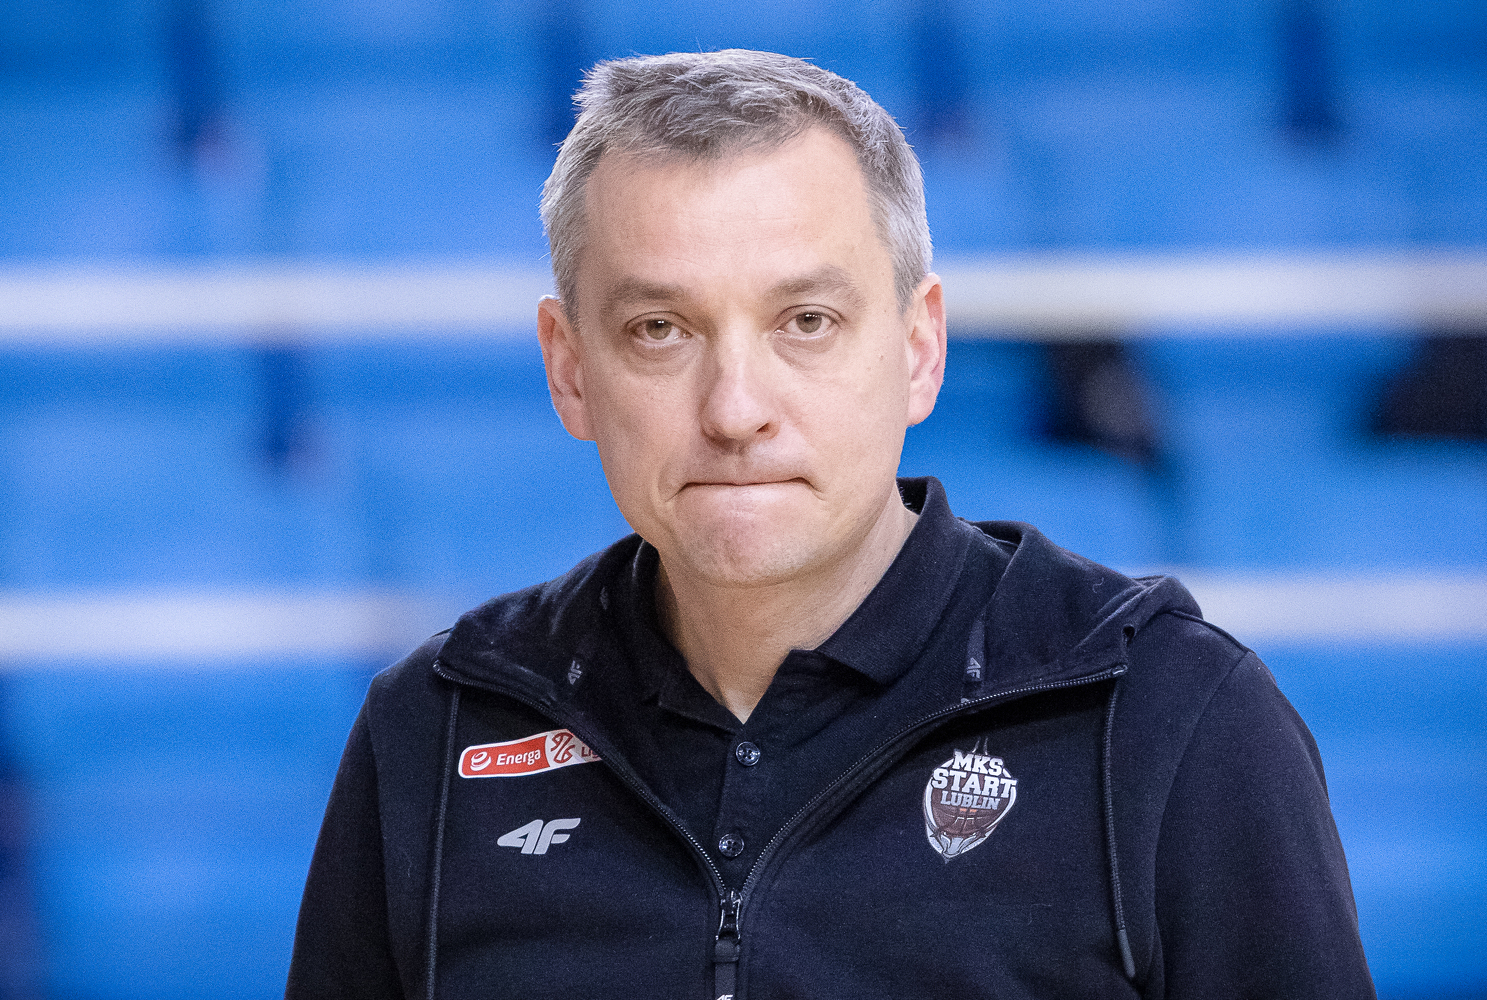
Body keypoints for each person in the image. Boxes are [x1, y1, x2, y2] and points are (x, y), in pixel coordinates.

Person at [286, 50, 1375, 999]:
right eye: (660, 329)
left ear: (918, 349)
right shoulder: (437, 730)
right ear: (569, 369)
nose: (734, 409)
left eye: (804, 321)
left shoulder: (1165, 715)